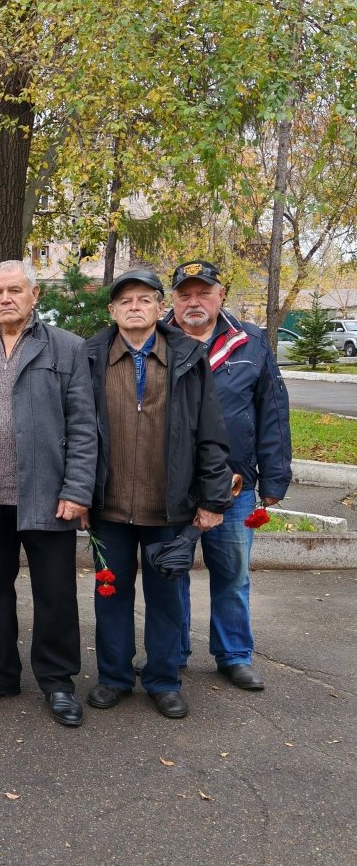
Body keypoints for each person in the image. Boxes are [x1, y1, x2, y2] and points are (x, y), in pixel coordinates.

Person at [0, 259, 96, 727]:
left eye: (15, 289)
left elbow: (84, 427)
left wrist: (77, 489)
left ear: (35, 295)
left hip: (48, 495)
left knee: (54, 594)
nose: (5, 298)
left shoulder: (67, 349)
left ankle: (57, 682)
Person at [86, 270, 232, 719]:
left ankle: (164, 680)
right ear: (112, 310)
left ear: (157, 306)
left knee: (167, 599)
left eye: (143, 299)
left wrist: (212, 500)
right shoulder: (90, 355)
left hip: (168, 506)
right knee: (111, 595)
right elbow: (72, 431)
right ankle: (113, 677)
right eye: (124, 300)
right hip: (107, 507)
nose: (134, 306)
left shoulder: (189, 356)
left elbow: (210, 433)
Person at [165, 260, 292, 691]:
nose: (194, 302)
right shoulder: (157, 340)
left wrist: (275, 479)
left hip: (234, 484)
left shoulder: (251, 343)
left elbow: (272, 412)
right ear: (174, 300)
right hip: (171, 483)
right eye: (185, 294)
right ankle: (172, 652)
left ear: (221, 295)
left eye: (204, 293)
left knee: (232, 574)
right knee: (171, 571)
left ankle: (234, 655)